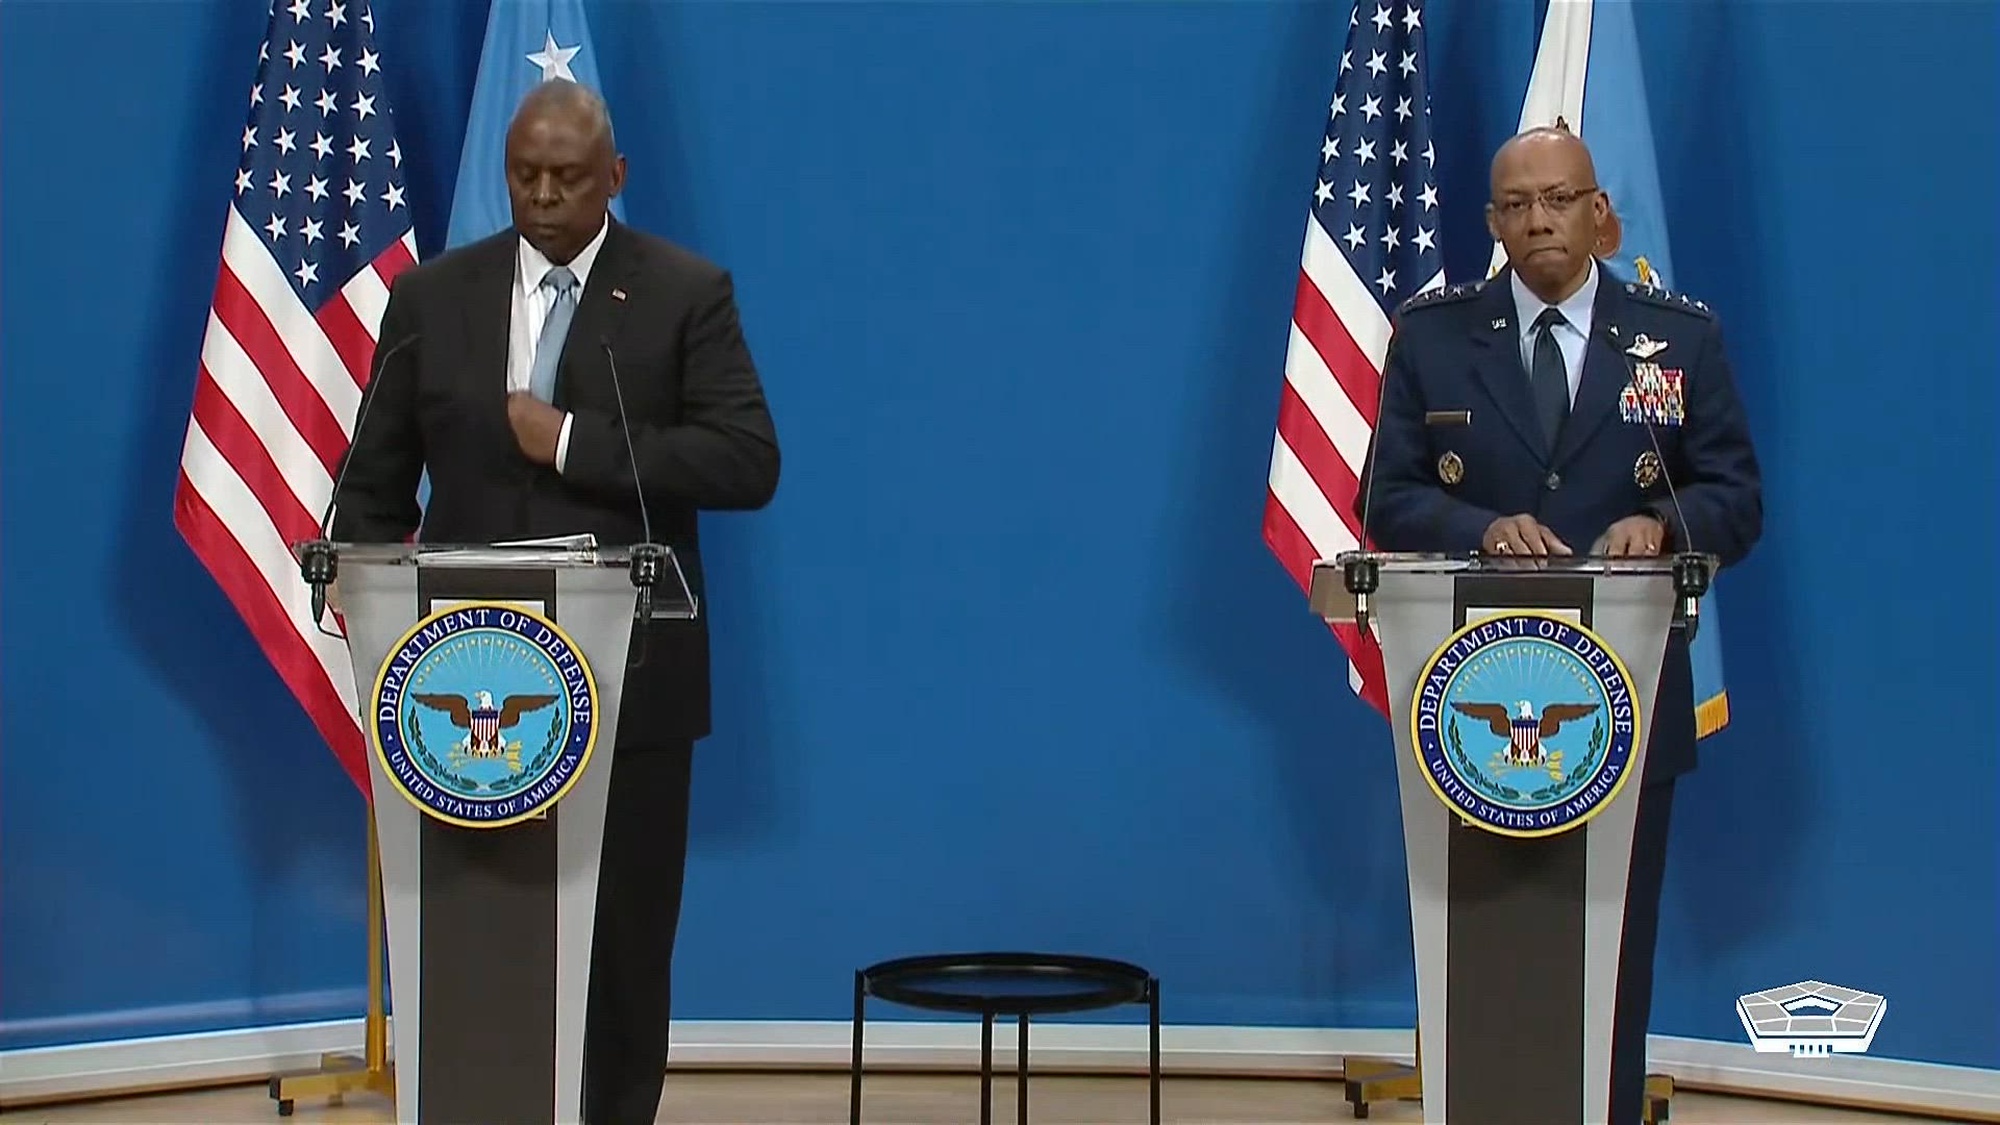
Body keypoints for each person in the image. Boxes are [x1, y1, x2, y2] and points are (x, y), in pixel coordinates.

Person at [330, 79, 780, 1124]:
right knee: (474, 929)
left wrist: (573, 440)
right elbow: (377, 477)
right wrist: (352, 576)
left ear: (613, 178)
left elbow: (745, 460)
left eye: (567, 179)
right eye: (524, 176)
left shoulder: (681, 291)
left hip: (628, 690)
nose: (541, 197)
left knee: (620, 945)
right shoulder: (433, 298)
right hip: (461, 684)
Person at [1357, 126, 1761, 1124]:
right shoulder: (1436, 336)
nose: (1535, 220)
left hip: (1620, 699)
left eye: (1556, 199)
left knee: (1608, 941)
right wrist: (1480, 528)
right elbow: (1388, 500)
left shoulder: (1678, 338)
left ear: (1596, 210)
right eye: (1514, 205)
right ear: (1492, 222)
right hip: (1467, 698)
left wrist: (1659, 526)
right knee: (1480, 936)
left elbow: (1733, 499)